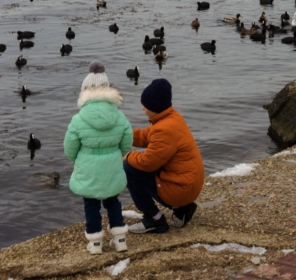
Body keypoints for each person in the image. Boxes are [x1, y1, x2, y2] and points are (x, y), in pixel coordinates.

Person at [64, 61, 133, 254]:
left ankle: (95, 243)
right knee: (113, 201)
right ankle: (120, 239)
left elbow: (69, 147)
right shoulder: (119, 117)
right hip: (111, 165)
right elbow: (127, 141)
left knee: (91, 204)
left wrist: (79, 159)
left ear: (84, 91)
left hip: (88, 167)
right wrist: (117, 155)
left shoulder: (78, 119)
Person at [123, 78, 205, 233]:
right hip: (189, 185)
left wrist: (128, 156)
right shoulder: (172, 118)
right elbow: (146, 136)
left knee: (128, 168)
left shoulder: (163, 130)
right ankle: (182, 209)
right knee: (139, 164)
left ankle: (154, 219)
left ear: (155, 106)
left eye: (145, 105)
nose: (143, 109)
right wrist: (121, 135)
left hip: (181, 189)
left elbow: (148, 163)